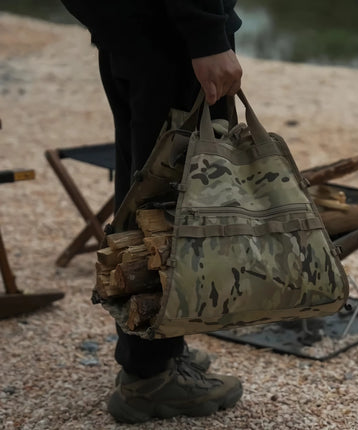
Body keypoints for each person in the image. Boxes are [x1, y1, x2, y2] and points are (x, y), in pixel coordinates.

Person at [60, 0, 244, 423]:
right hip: (168, 32)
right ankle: (151, 378)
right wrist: (206, 35)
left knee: (142, 192)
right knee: (172, 205)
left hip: (135, 27)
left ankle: (154, 347)